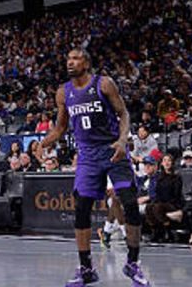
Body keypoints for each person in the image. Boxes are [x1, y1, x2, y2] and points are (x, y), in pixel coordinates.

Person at [34, 48, 151, 287]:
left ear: (86, 63)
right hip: (87, 155)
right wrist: (43, 142)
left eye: (75, 58)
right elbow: (60, 128)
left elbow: (124, 114)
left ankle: (133, 263)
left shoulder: (104, 84)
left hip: (112, 150)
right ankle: (86, 268)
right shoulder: (63, 92)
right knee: (82, 208)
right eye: (68, 59)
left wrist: (121, 140)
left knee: (129, 201)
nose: (70, 62)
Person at [144, 154, 184, 242]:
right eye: (164, 161)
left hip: (173, 203)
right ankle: (156, 231)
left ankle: (168, 230)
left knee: (158, 207)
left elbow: (176, 194)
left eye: (169, 160)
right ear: (161, 163)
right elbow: (157, 193)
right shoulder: (159, 178)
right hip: (161, 202)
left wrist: (162, 202)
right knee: (149, 207)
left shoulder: (176, 177)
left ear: (172, 163)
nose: (167, 163)